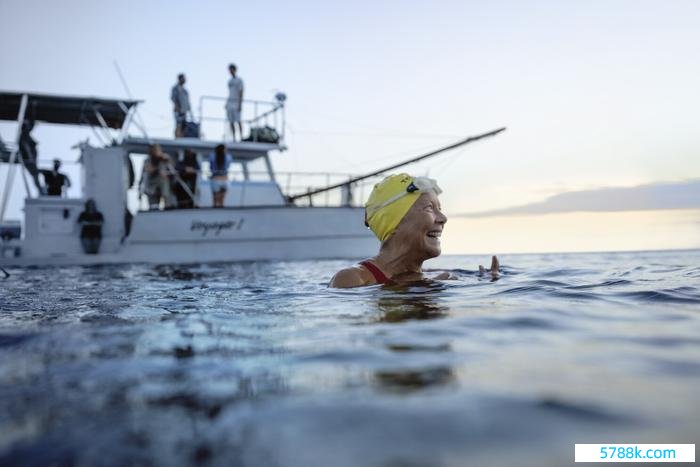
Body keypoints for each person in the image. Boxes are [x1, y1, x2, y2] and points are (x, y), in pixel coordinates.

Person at [329, 173, 499, 288]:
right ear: (394, 222)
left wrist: (487, 281)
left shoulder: (434, 275)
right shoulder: (352, 279)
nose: (443, 218)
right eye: (429, 208)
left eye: (440, 208)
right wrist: (425, 290)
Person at [141, 144, 174, 210]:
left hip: (164, 186)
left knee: (164, 181)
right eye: (155, 150)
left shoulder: (164, 159)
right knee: (153, 207)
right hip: (151, 186)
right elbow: (149, 170)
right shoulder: (147, 160)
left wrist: (165, 159)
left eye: (158, 150)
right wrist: (158, 168)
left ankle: (167, 204)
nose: (157, 152)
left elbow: (172, 170)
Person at [18, 119, 45, 194]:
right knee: (35, 175)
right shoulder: (24, 135)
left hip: (32, 160)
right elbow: (26, 147)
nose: (30, 127)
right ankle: (40, 190)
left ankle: (40, 190)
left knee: (35, 175)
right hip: (29, 160)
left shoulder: (26, 134)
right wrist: (31, 158)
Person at [225, 64, 244, 141]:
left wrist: (240, 104)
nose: (230, 71)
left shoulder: (239, 80)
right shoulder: (229, 81)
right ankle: (234, 138)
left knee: (238, 120)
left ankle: (241, 137)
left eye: (231, 69)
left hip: (236, 103)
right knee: (231, 121)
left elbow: (241, 92)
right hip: (230, 103)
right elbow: (229, 93)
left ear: (234, 70)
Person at [171, 73, 191, 138]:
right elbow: (173, 98)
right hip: (178, 110)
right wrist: (177, 107)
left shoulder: (185, 91)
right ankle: (177, 137)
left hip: (184, 111)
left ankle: (182, 137)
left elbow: (187, 101)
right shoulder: (175, 88)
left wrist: (189, 110)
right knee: (178, 124)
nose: (185, 80)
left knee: (184, 125)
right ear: (180, 79)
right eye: (183, 78)